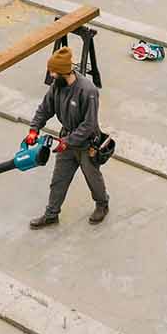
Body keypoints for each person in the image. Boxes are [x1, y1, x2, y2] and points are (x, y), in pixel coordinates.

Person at [28, 44, 109, 228]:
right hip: (66, 141)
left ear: (65, 72)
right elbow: (45, 109)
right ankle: (51, 214)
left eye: (54, 73)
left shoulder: (88, 91)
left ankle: (102, 204)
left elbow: (89, 125)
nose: (51, 76)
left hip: (87, 144)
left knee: (93, 178)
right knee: (59, 180)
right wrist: (34, 128)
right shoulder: (57, 86)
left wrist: (68, 142)